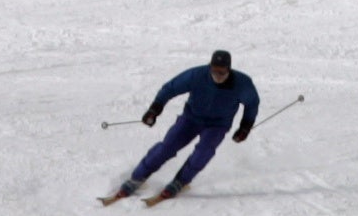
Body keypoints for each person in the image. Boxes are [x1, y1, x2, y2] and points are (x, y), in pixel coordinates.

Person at [106, 49, 260, 202]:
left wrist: (245, 127)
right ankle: (137, 178)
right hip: (191, 119)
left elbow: (252, 104)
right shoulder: (197, 75)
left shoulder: (242, 83)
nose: (217, 76)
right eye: (214, 71)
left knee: (203, 152)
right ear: (210, 67)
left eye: (221, 73)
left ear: (228, 69)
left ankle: (181, 181)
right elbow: (170, 88)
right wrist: (155, 109)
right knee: (167, 147)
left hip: (217, 125)